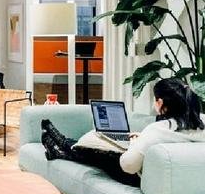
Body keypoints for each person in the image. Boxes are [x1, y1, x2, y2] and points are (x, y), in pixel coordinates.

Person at [41, 78, 205, 187]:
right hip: (184, 184)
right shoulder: (201, 123)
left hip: (141, 180)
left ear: (161, 103)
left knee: (103, 154)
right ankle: (61, 152)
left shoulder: (158, 130)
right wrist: (143, 140)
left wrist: (134, 144)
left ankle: (64, 143)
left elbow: (128, 165)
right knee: (103, 153)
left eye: (155, 99)